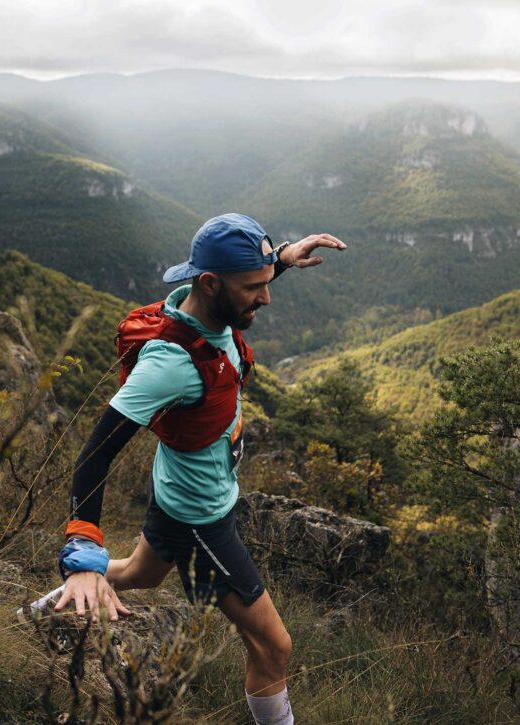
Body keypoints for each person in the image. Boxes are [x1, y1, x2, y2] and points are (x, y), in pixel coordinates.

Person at [54, 212, 346, 724]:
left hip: (175, 494)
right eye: (254, 287)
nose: (266, 297)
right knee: (274, 646)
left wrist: (280, 260)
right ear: (210, 283)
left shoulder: (212, 313)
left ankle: (32, 613)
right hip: (201, 518)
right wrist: (80, 550)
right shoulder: (168, 364)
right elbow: (97, 452)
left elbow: (240, 287)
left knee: (136, 574)